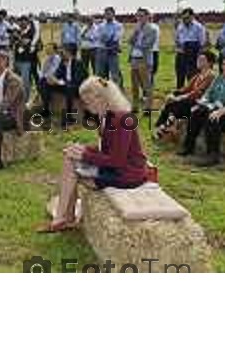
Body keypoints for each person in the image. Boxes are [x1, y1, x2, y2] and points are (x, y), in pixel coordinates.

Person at [39, 76, 151, 232]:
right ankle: (64, 217)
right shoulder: (108, 117)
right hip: (118, 169)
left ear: (102, 98)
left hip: (127, 174)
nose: (85, 105)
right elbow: (107, 150)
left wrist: (84, 155)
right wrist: (83, 149)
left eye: (88, 101)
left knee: (73, 170)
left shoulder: (124, 119)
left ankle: (62, 218)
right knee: (69, 158)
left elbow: (116, 160)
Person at [178, 54, 225, 166]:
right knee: (197, 113)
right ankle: (188, 147)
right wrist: (202, 103)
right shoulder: (220, 78)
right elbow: (209, 94)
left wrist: (220, 112)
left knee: (212, 120)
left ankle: (213, 155)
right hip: (218, 108)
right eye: (224, 64)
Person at [154, 50, 216, 139]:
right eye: (198, 59)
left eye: (202, 60)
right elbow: (185, 89)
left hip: (199, 103)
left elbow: (198, 92)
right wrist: (173, 94)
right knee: (171, 104)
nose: (198, 61)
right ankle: (163, 127)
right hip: (189, 100)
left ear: (210, 63)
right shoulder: (198, 75)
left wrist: (179, 98)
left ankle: (163, 128)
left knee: (176, 105)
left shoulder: (210, 76)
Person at [38, 46, 87, 127]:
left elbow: (77, 80)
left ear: (69, 53)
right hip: (63, 84)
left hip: (76, 86)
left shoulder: (78, 63)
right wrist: (53, 78)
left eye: (64, 52)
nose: (61, 54)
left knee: (69, 88)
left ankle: (69, 116)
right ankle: (46, 108)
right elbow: (58, 73)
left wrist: (62, 82)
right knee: (43, 82)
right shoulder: (62, 62)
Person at [128, 7, 157, 113]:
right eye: (137, 16)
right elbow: (130, 41)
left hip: (144, 60)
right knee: (134, 85)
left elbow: (147, 45)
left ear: (147, 17)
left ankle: (148, 107)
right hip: (134, 59)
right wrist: (135, 34)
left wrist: (137, 43)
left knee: (146, 85)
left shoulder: (152, 29)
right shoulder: (136, 28)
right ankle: (135, 106)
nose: (138, 18)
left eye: (141, 16)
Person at [174, 7, 207, 89]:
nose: (185, 20)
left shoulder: (199, 27)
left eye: (187, 18)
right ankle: (179, 94)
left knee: (192, 77)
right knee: (180, 76)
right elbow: (177, 39)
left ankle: (191, 95)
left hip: (193, 55)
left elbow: (202, 43)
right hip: (181, 54)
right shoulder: (180, 27)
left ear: (192, 17)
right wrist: (179, 45)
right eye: (183, 18)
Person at [95, 7, 123, 86]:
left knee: (115, 74)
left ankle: (116, 92)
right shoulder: (100, 26)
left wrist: (106, 38)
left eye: (109, 14)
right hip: (101, 51)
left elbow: (116, 38)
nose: (107, 15)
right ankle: (102, 92)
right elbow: (99, 37)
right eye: (106, 14)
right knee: (100, 73)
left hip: (113, 52)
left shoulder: (118, 25)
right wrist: (109, 38)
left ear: (113, 14)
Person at [13, 15, 37, 102]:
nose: (22, 23)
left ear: (27, 22)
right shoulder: (17, 31)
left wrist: (17, 37)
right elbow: (13, 43)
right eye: (20, 21)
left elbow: (25, 43)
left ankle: (26, 100)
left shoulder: (31, 31)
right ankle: (17, 97)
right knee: (16, 80)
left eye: (24, 21)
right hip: (17, 59)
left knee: (25, 81)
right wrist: (13, 37)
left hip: (26, 60)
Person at [149, 14, 160, 87]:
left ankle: (151, 82)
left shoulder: (155, 26)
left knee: (153, 69)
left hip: (154, 50)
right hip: (148, 51)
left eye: (151, 17)